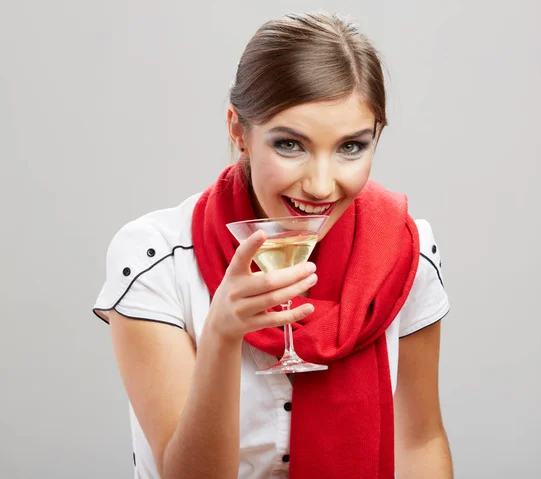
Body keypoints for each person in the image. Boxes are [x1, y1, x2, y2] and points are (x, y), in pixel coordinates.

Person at [93, 12, 453, 479]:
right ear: (238, 132)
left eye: (351, 147)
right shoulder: (154, 258)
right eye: (290, 144)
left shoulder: (406, 251)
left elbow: (420, 441)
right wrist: (222, 335)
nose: (322, 186)